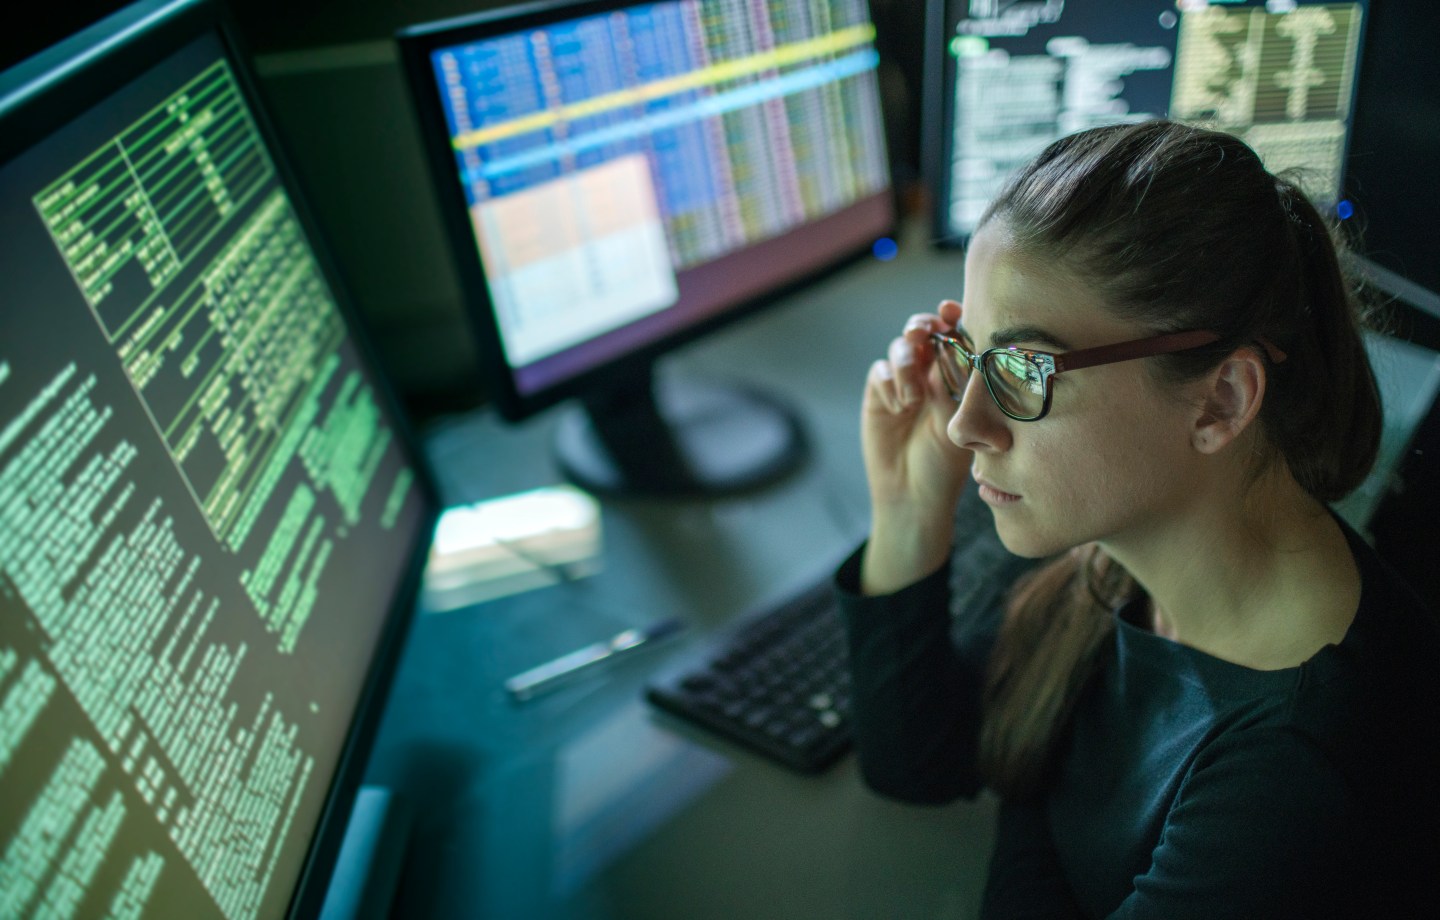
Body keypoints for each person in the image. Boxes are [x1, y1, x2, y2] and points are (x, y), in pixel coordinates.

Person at [836, 119, 1440, 918]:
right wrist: (911, 515)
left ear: (1220, 401)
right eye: (968, 352)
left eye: (1024, 368)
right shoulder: (1123, 554)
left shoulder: (1297, 778)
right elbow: (922, 761)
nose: (963, 423)